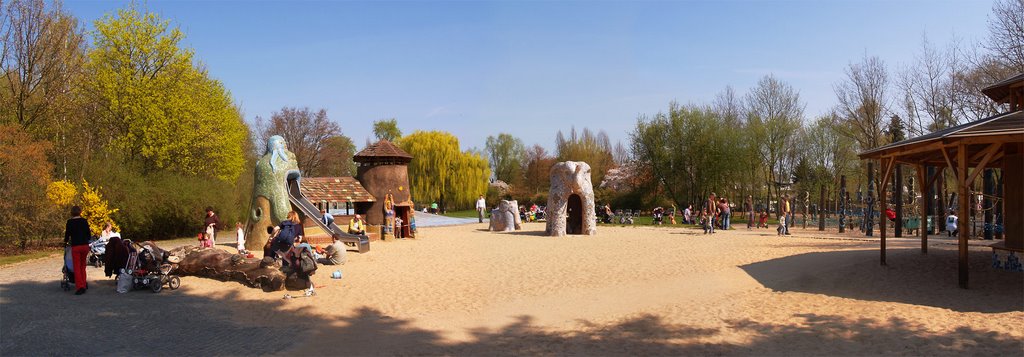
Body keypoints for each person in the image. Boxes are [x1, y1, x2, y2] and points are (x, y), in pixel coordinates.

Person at [64, 206, 91, 295]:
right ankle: (84, 283)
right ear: (80, 212)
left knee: (77, 267)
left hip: (76, 246)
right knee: (83, 266)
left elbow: (67, 234)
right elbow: (88, 234)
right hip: (85, 246)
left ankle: (80, 287)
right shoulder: (84, 221)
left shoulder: (70, 222)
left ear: (72, 213)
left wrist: (65, 242)